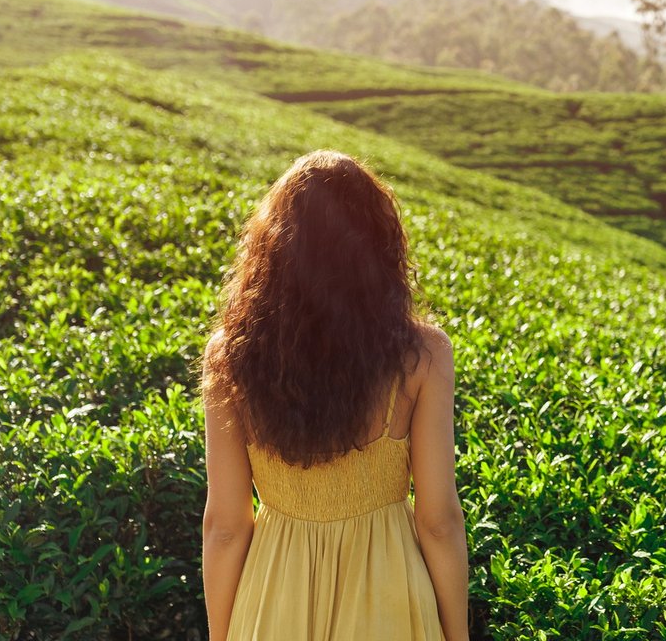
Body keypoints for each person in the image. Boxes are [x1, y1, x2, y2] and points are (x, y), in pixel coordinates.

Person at [199, 150, 468, 640]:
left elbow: (225, 526)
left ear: (273, 249)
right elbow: (439, 522)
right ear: (379, 245)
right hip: (389, 597)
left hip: (272, 597)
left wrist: (222, 635)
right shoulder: (423, 354)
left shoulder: (230, 356)